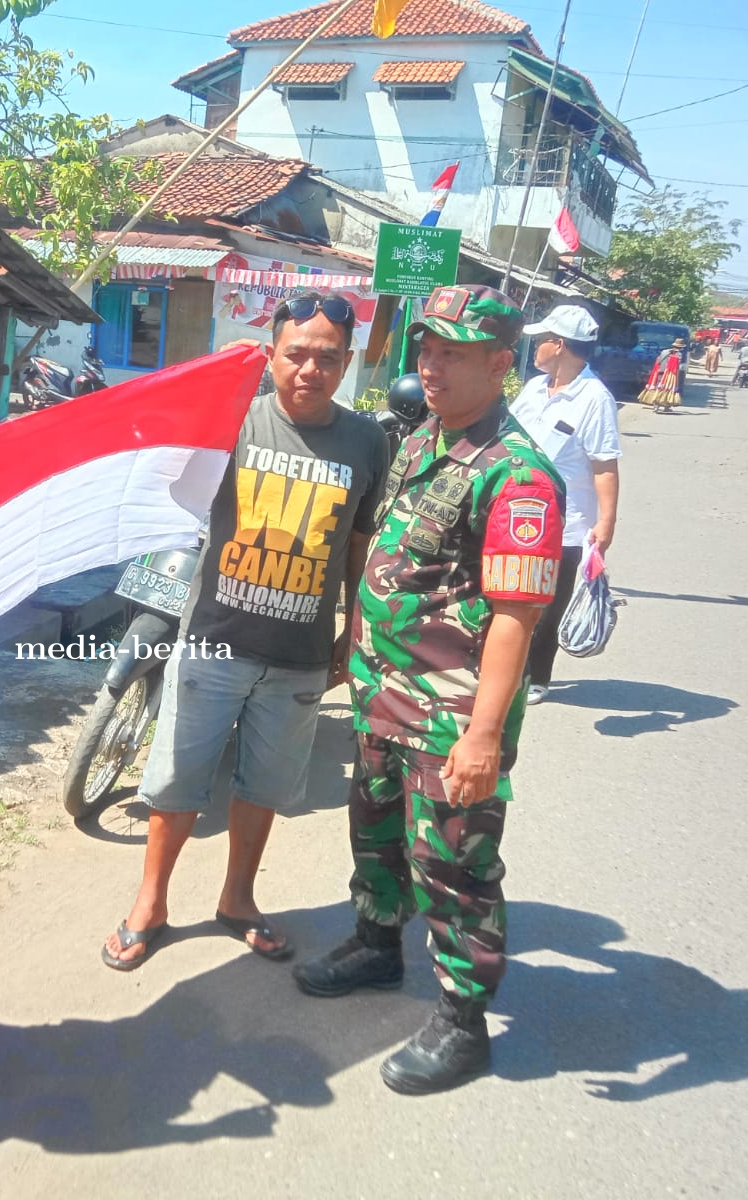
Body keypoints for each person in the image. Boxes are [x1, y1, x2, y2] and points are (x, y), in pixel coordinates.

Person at [291, 284, 565, 1095]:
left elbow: (516, 617)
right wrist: (356, 637)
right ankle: (377, 945)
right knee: (376, 834)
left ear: (499, 364)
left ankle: (464, 1021)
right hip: (384, 693)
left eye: (453, 353)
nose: (432, 367)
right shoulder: (420, 441)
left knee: (454, 866)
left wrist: (483, 737)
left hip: (449, 714)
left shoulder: (519, 476)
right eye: (426, 350)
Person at [100, 291, 388, 970]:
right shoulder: (230, 421)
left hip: (299, 656)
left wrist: (354, 627)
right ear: (270, 356)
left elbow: (357, 545)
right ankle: (151, 903)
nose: (310, 369)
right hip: (212, 642)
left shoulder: (367, 441)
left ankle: (238, 900)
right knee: (174, 784)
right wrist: (212, 377)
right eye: (296, 354)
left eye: (326, 357)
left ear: (346, 364)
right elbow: (154, 441)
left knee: (264, 787)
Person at [509, 305, 621, 704]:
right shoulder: (533, 389)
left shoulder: (594, 399)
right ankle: (507, 668)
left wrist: (605, 523)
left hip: (566, 523)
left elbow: (604, 467)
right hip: (514, 512)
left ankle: (536, 677)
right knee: (509, 595)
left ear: (559, 346)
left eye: (542, 340)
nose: (536, 348)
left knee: (546, 604)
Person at [639, 337, 685, 410]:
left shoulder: (664, 351)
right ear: (681, 347)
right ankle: (666, 406)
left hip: (659, 372)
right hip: (670, 374)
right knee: (667, 388)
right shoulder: (678, 354)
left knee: (658, 387)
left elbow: (658, 360)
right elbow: (676, 366)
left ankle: (656, 405)